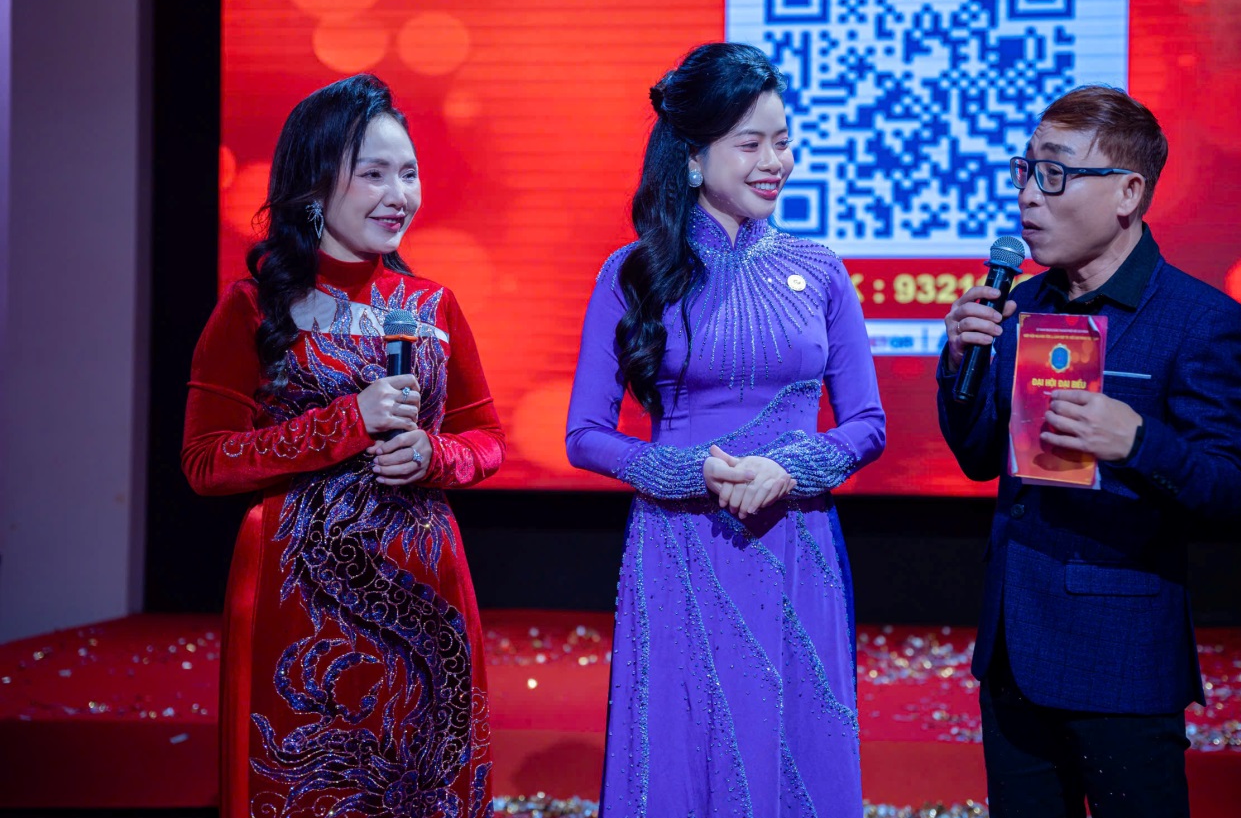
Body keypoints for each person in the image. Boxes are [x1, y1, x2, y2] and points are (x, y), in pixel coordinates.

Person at [566, 42, 885, 816]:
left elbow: (868, 423)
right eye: (751, 143)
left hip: (796, 542)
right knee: (684, 750)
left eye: (783, 140)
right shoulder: (632, 274)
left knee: (796, 750)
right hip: (679, 545)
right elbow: (585, 434)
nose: (775, 161)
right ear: (691, 157)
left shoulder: (821, 269)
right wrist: (688, 472)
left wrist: (791, 468)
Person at [183, 74, 505, 817]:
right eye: (374, 174)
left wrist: (433, 456)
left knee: (426, 777)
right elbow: (204, 461)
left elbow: (486, 439)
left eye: (409, 173)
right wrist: (346, 421)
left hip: (425, 580)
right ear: (314, 184)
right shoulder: (252, 308)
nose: (400, 195)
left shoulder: (433, 305)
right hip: (297, 589)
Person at [936, 85, 1241, 817]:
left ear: (1127, 193)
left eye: (1054, 174)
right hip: (1013, 649)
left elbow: (1228, 489)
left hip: (1121, 661)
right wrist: (958, 364)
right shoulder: (1018, 305)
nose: (1027, 195)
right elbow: (980, 458)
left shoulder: (1198, 319)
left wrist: (1136, 442)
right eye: (1025, 170)